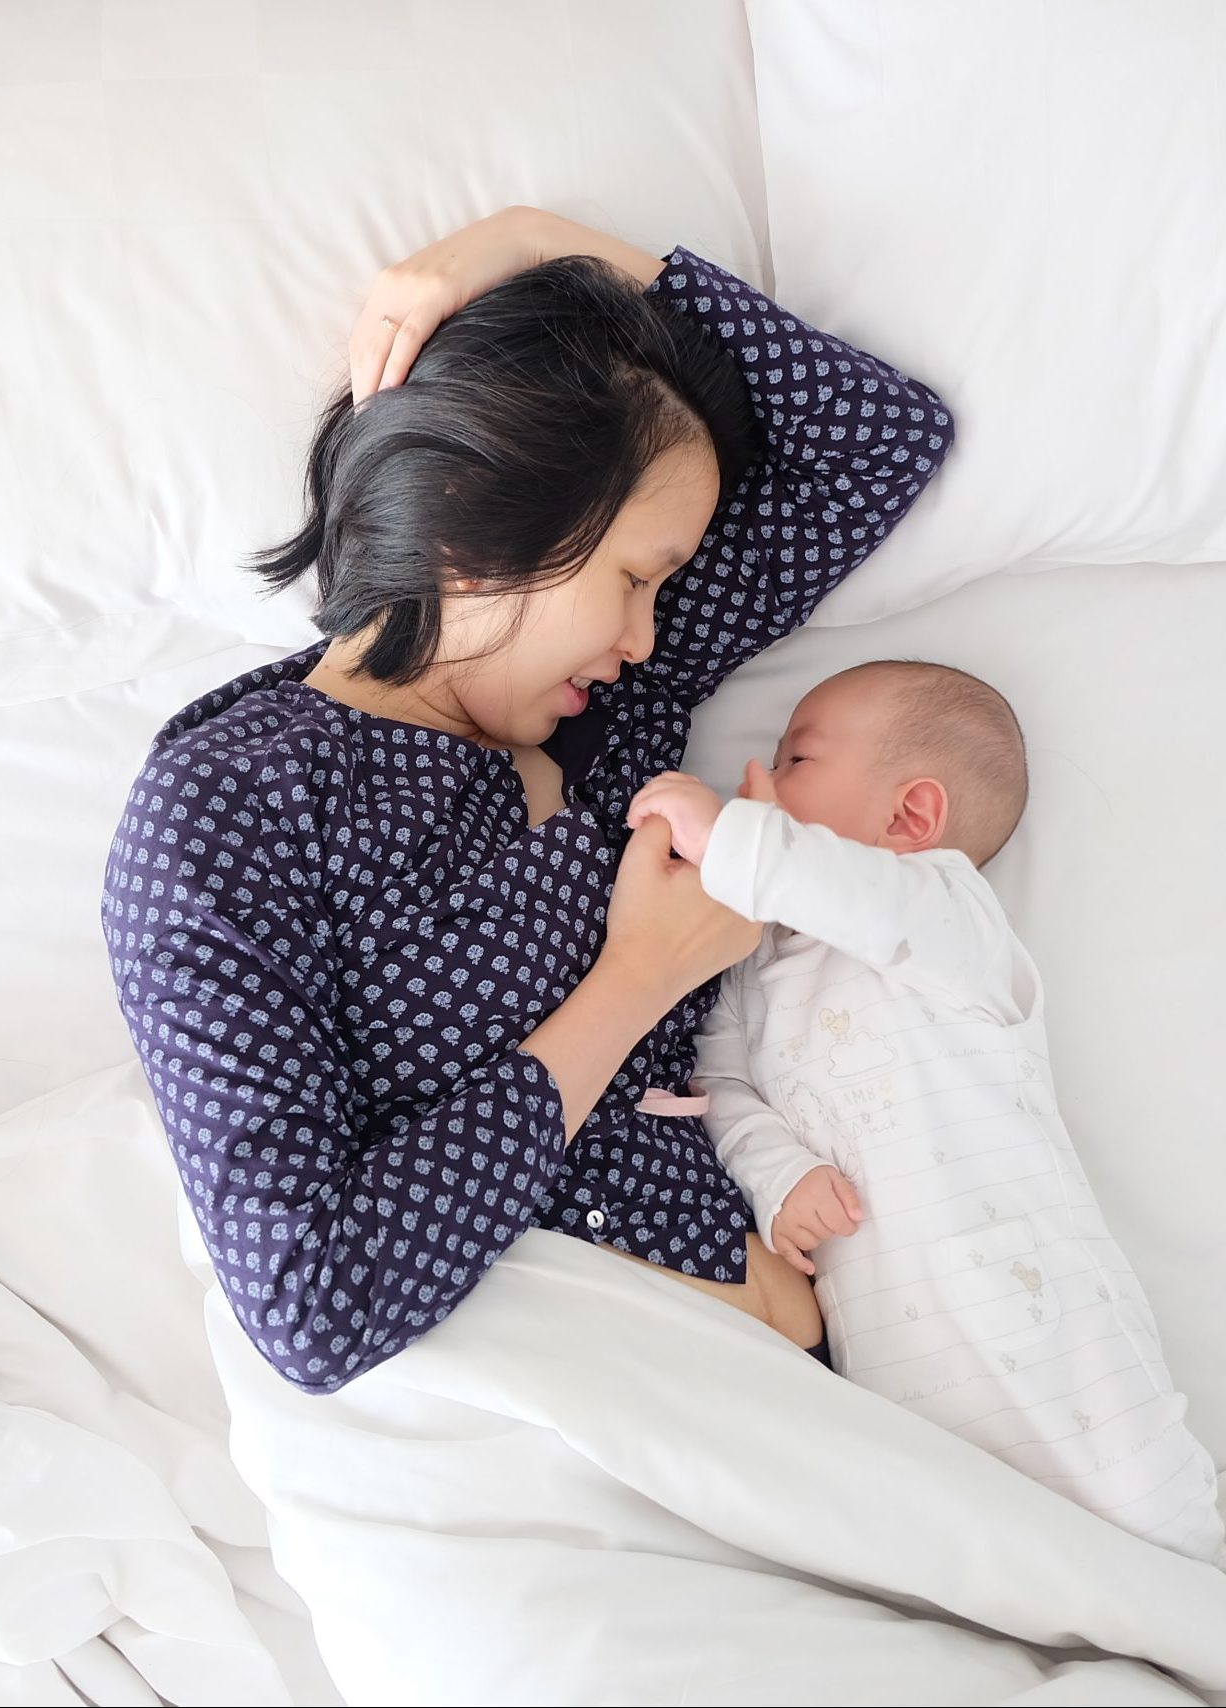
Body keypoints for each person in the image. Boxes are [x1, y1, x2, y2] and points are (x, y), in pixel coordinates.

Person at [101, 204, 955, 1395]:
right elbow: (311, 1301)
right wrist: (635, 981)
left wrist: (538, 243)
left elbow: (877, 441)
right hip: (562, 1419)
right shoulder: (229, 807)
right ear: (479, 517)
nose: (649, 630)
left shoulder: (612, 707)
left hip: (792, 1395)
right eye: (633, 577)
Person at [627, 661, 1226, 1574]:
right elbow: (723, 1089)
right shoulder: (756, 960)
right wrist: (778, 1175)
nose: (759, 778)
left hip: (1052, 1328)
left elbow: (843, 892)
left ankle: (1214, 1618)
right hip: (904, 1377)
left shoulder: (948, 913)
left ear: (909, 820)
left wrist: (732, 836)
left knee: (1152, 1529)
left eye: (794, 760)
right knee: (966, 1568)